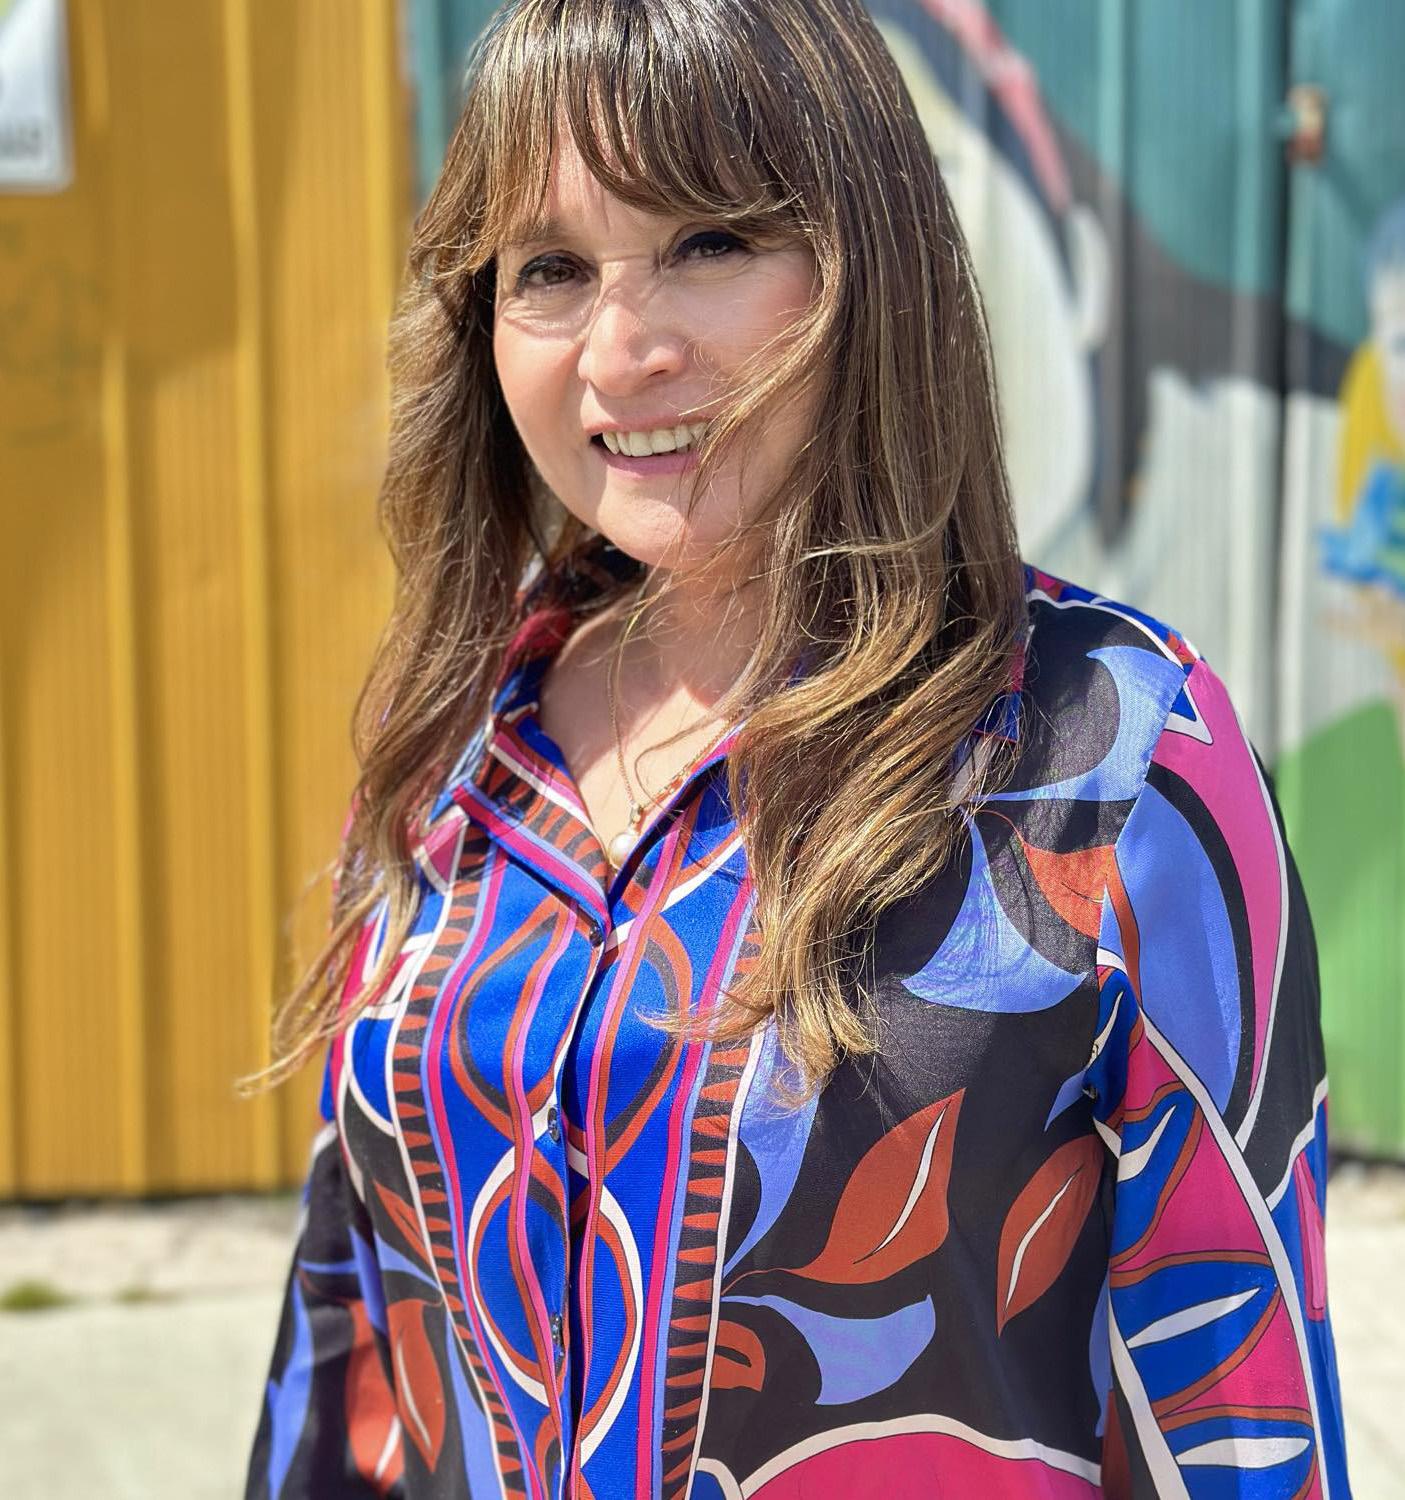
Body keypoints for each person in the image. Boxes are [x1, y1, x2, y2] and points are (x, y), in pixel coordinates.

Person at [243, 1, 1353, 1496]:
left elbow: (1239, 1408)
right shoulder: (455, 745)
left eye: (708, 242)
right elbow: (353, 1347)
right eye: (549, 270)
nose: (622, 352)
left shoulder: (1113, 755)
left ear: (868, 268)